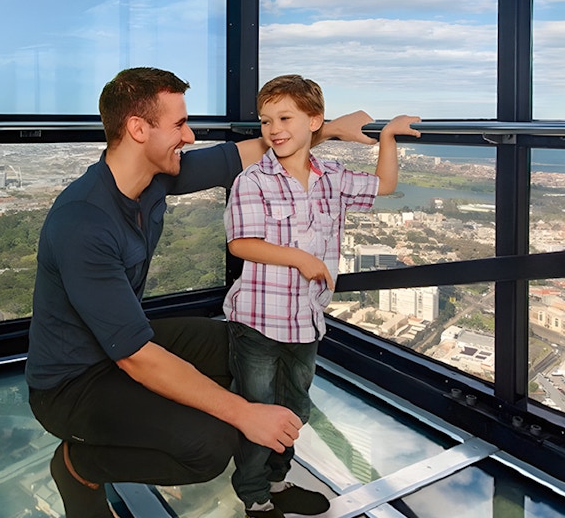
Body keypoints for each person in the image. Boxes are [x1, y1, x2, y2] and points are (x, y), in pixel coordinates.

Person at [26, 67, 375, 517]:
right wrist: (243, 413)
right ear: (138, 128)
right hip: (73, 382)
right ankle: (79, 464)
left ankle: (269, 481)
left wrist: (328, 128)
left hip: (120, 344)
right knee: (210, 445)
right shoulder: (82, 222)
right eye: (178, 124)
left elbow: (245, 154)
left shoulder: (155, 176)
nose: (189, 136)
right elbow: (137, 355)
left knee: (249, 346)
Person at [223, 74, 420, 518]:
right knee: (259, 413)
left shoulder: (332, 177)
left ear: (315, 121)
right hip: (255, 319)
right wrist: (298, 258)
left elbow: (383, 185)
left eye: (285, 117)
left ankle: (278, 480)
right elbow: (241, 244)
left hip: (305, 320)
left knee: (294, 409)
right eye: (266, 120)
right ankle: (254, 497)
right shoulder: (253, 181)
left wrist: (387, 136)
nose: (273, 128)